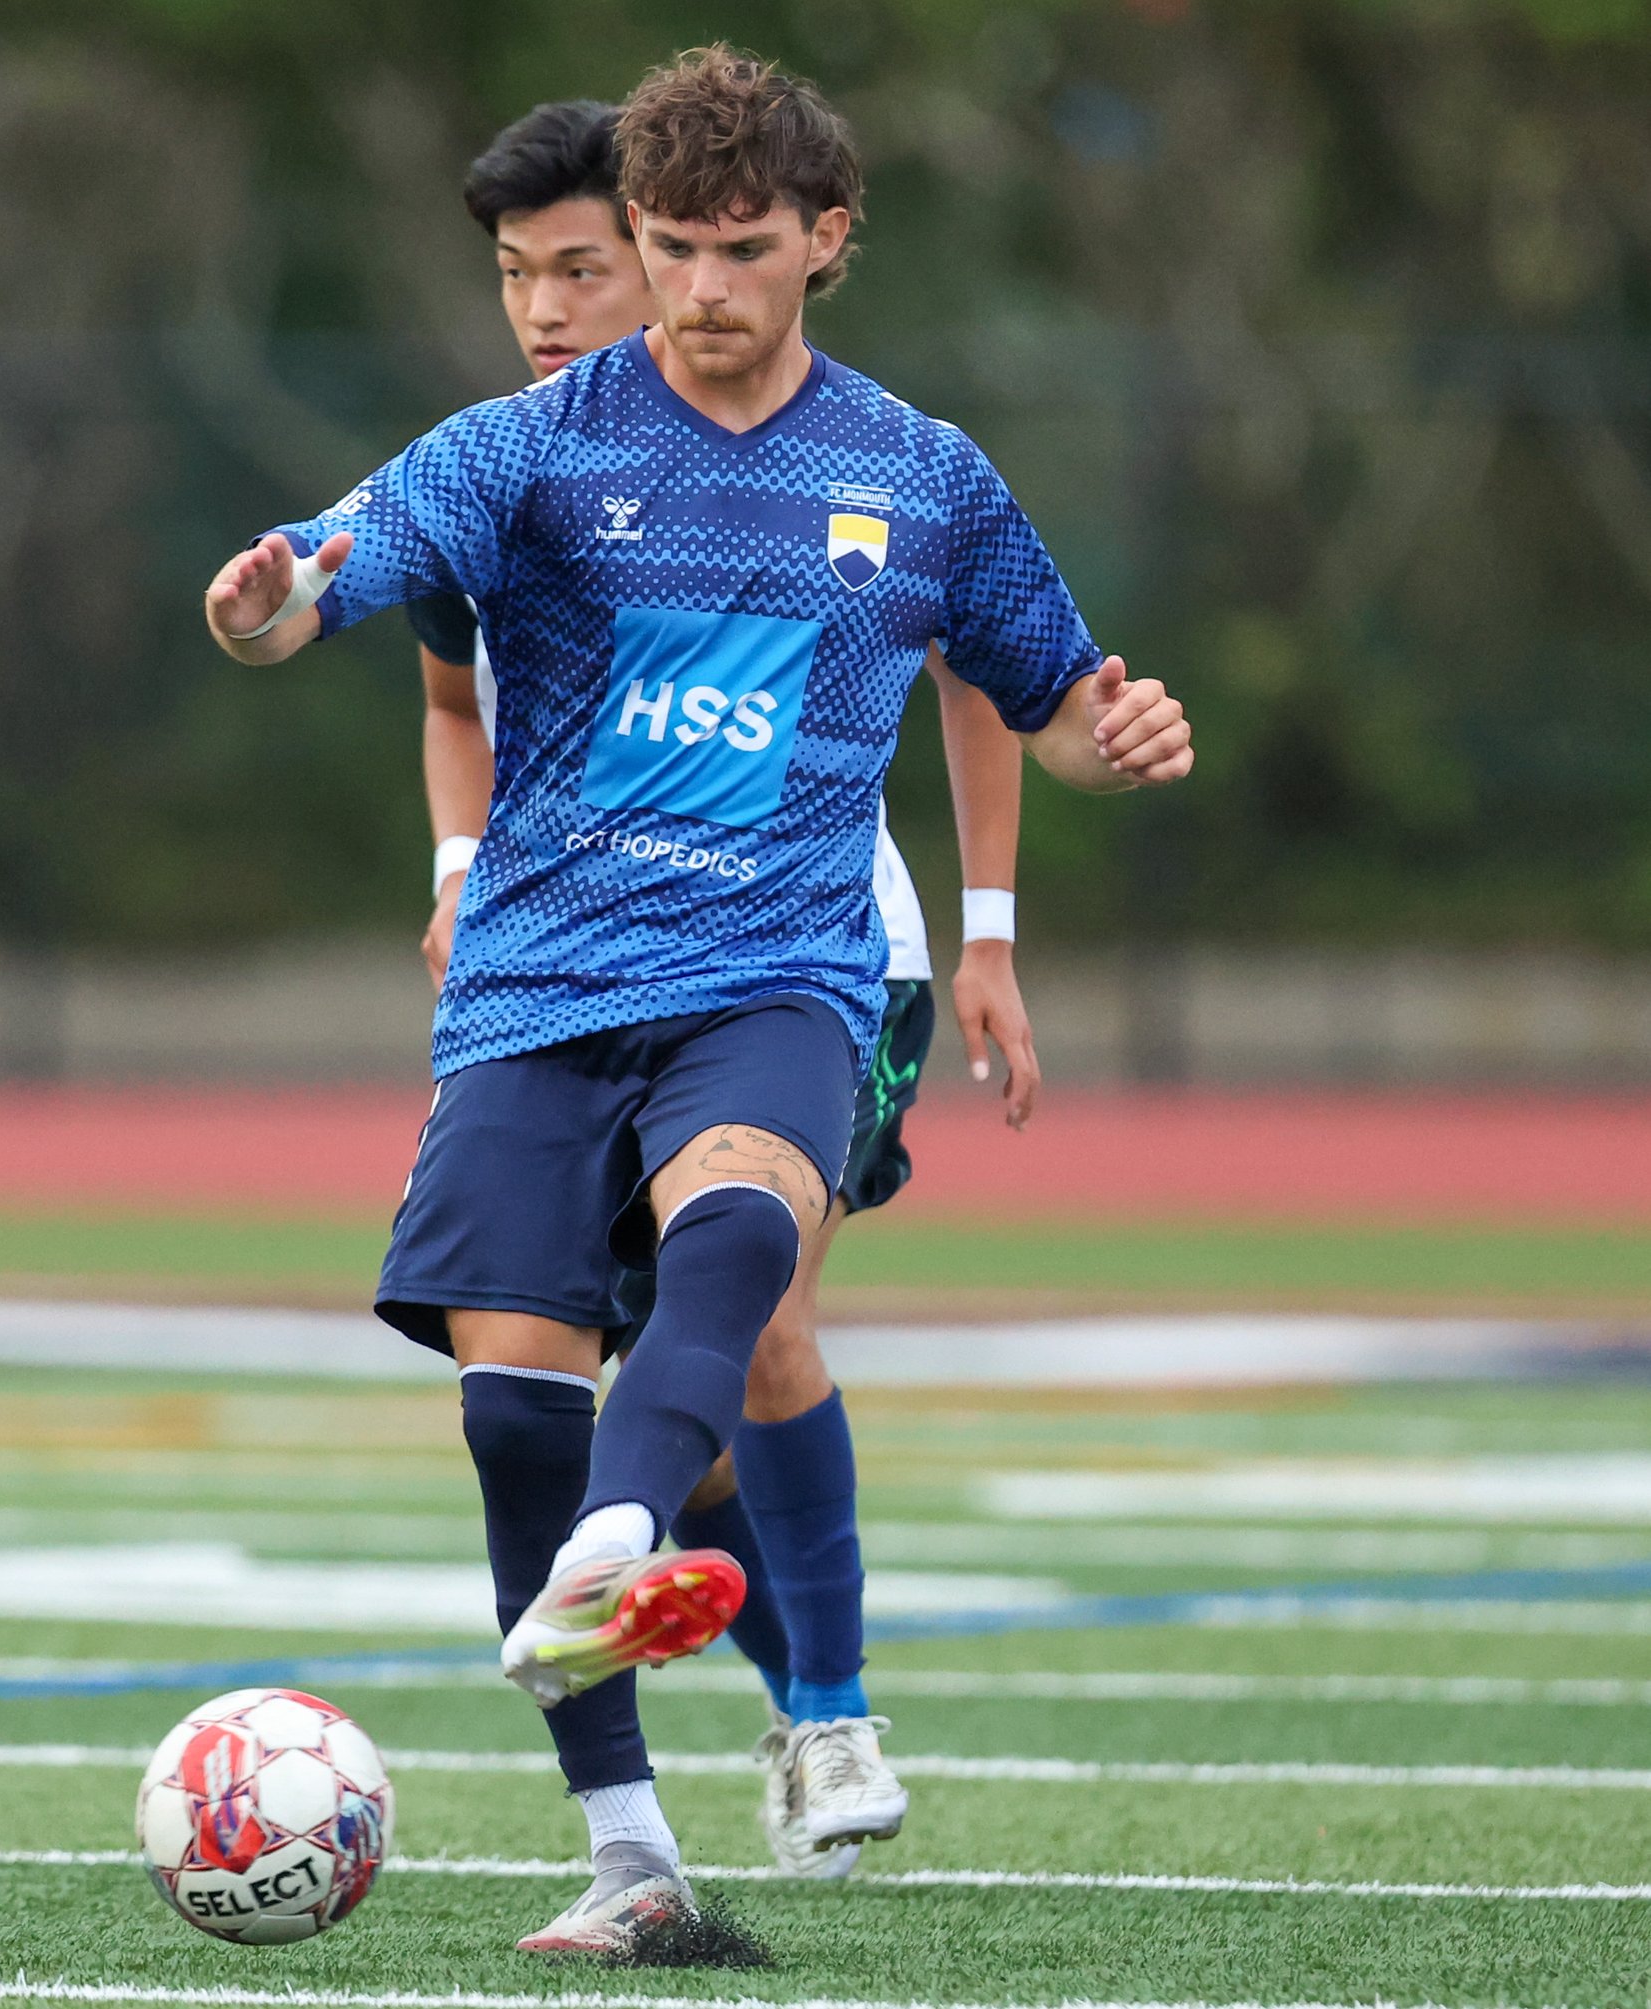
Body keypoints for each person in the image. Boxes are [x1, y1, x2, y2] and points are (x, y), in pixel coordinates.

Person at [203, 46, 1191, 1955]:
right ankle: (632, 1851)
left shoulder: (920, 472)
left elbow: (1051, 689)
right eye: (667, 247)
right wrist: (267, 606)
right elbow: (335, 567)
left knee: (743, 1240)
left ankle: (632, 1543)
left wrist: (1109, 738)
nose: (700, 288)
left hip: (781, 968)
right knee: (509, 1405)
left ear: (826, 241)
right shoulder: (534, 444)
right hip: (543, 974)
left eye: (742, 248)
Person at [409, 98, 1044, 1892]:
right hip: (569, 961)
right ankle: (670, 1770)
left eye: (583, 271)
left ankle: (828, 1715)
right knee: (588, 1404)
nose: (549, 310)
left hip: (816, 949)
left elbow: (987, 662)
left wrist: (991, 923)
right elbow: (454, 703)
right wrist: (462, 877)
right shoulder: (510, 465)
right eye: (521, 277)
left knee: (747, 1313)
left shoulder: (862, 455)